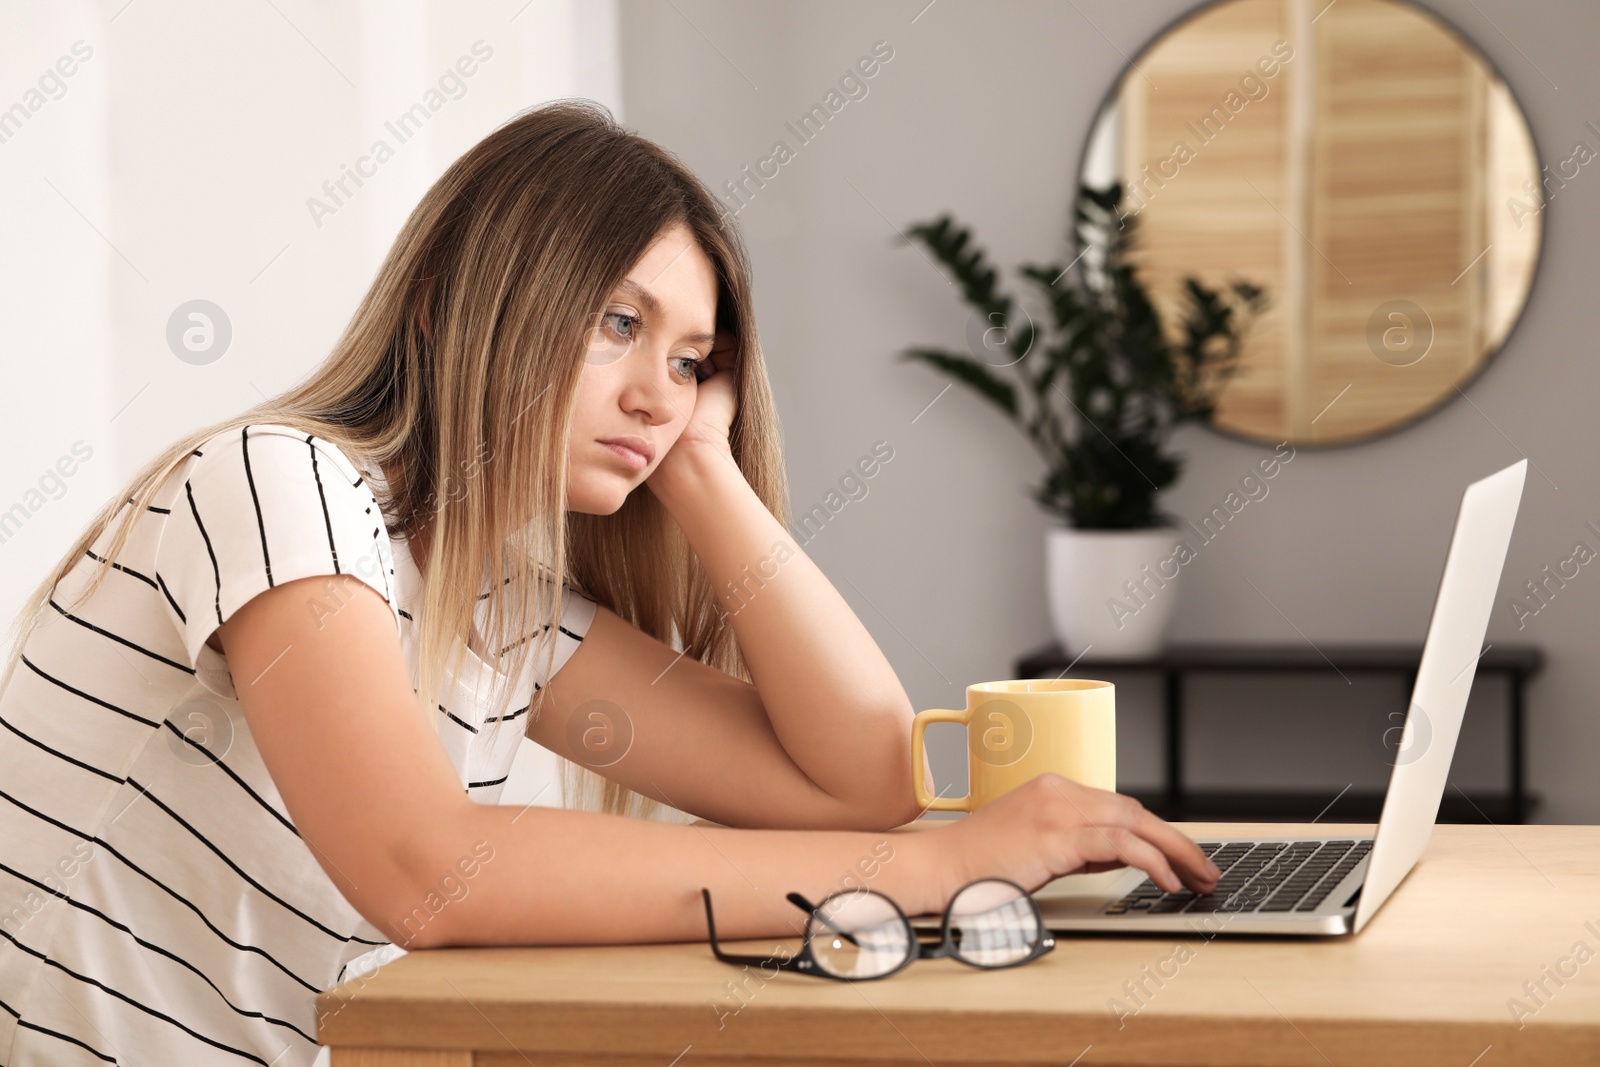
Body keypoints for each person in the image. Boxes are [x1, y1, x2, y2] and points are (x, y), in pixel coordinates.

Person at [0, 99, 1218, 1066]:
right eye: (617, 325)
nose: (657, 390)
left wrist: (701, 471)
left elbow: (862, 779)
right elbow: (429, 868)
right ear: (447, 304)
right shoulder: (273, 483)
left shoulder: (498, 608)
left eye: (691, 359)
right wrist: (952, 870)